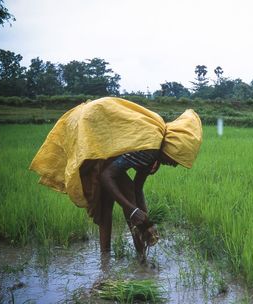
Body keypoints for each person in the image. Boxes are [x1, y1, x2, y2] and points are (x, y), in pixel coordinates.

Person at [30, 97, 202, 261]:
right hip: (92, 129)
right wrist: (133, 211)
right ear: (170, 149)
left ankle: (124, 261)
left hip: (101, 133)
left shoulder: (154, 148)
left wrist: (145, 220)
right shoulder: (150, 148)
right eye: (175, 160)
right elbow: (106, 176)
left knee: (127, 198)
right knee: (111, 202)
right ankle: (125, 262)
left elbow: (138, 187)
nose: (174, 165)